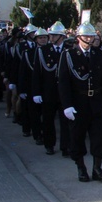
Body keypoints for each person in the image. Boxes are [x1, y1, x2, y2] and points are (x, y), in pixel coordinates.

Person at [58, 22, 102, 182]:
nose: (89, 39)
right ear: (78, 38)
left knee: (98, 137)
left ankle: (97, 168)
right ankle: (81, 167)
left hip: (96, 101)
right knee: (77, 137)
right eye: (86, 36)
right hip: (78, 102)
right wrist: (67, 105)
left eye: (91, 36)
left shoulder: (98, 54)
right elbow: (63, 82)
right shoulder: (69, 55)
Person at [31, 22, 68, 155]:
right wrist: (36, 92)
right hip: (48, 91)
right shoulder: (43, 50)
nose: (51, 38)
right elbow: (37, 73)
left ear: (62, 36)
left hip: (65, 92)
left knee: (66, 121)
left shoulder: (68, 49)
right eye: (50, 35)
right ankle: (49, 144)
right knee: (48, 120)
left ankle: (66, 146)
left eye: (54, 35)